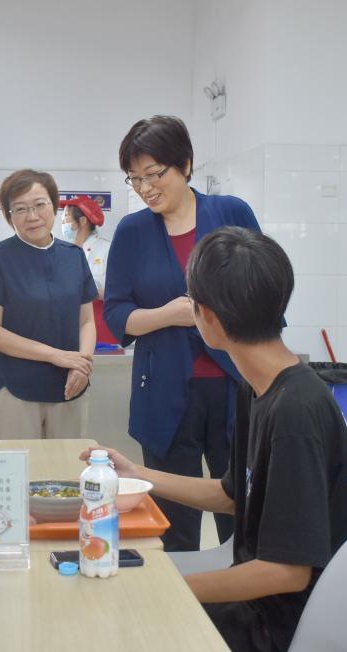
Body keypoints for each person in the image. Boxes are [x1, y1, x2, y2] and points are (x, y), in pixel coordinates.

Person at [86, 227, 347, 652]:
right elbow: (232, 494)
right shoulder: (258, 387)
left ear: (207, 316)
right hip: (260, 605)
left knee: (125, 631)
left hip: (286, 629)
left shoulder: (295, 412)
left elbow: (287, 573)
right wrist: (138, 474)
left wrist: (170, 588)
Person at [103, 115, 261, 551]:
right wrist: (168, 315)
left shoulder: (231, 213)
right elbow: (116, 315)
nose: (145, 187)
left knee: (245, 512)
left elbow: (263, 290)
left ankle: (243, 589)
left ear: (186, 164)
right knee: (173, 522)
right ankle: (179, 589)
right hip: (165, 392)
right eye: (135, 178)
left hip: (235, 387)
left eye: (154, 174)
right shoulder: (133, 232)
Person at [0, 169, 97, 439]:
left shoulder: (73, 256)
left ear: (54, 205)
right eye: (20, 209)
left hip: (69, 383)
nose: (32, 216)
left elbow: (86, 321)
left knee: (67, 463)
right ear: (9, 216)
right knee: (18, 464)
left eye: (39, 205)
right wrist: (55, 355)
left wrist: (82, 363)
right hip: (12, 385)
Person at [60, 195, 116, 346]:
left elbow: (117, 291)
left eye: (66, 217)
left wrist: (85, 288)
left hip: (100, 326)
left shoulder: (107, 249)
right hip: (69, 326)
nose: (63, 222)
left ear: (83, 221)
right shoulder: (64, 252)